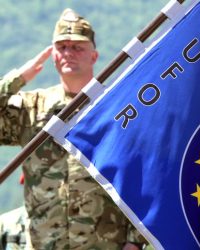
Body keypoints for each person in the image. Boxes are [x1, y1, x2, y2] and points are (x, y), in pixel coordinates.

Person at [0, 9, 148, 250]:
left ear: (94, 55)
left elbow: (141, 173)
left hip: (105, 243)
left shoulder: (116, 107)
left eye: (77, 47)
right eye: (62, 47)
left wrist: (135, 241)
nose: (69, 53)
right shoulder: (31, 107)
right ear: (53, 55)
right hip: (45, 243)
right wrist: (18, 77)